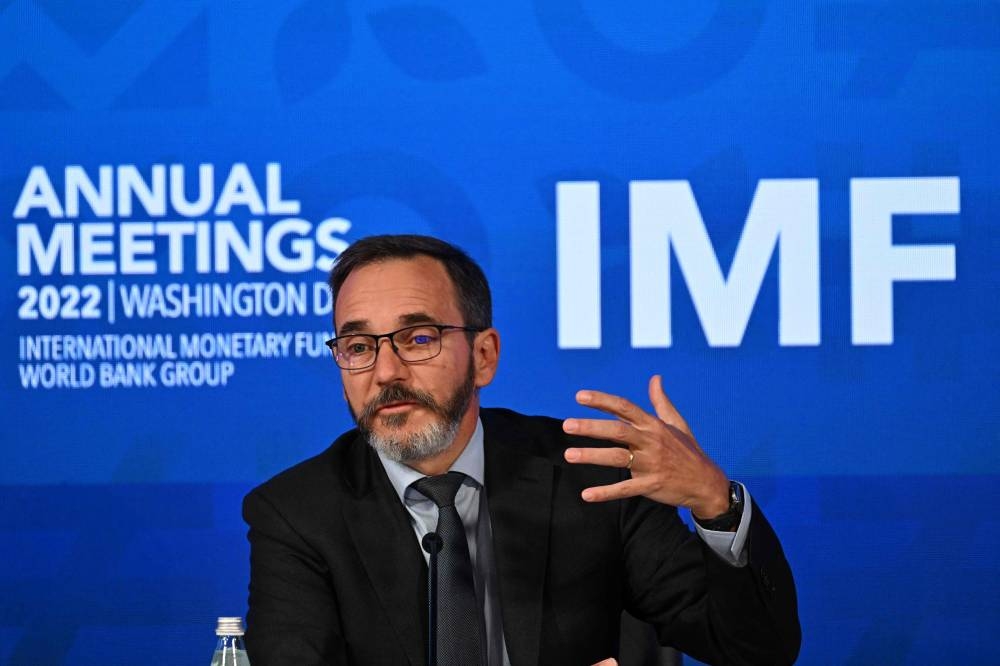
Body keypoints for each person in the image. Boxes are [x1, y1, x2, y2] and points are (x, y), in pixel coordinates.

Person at [243, 234, 800, 666]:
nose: (386, 371)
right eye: (359, 346)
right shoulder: (297, 514)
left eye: (418, 338)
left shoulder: (591, 476)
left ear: (484, 356)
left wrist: (714, 501)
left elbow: (756, 650)